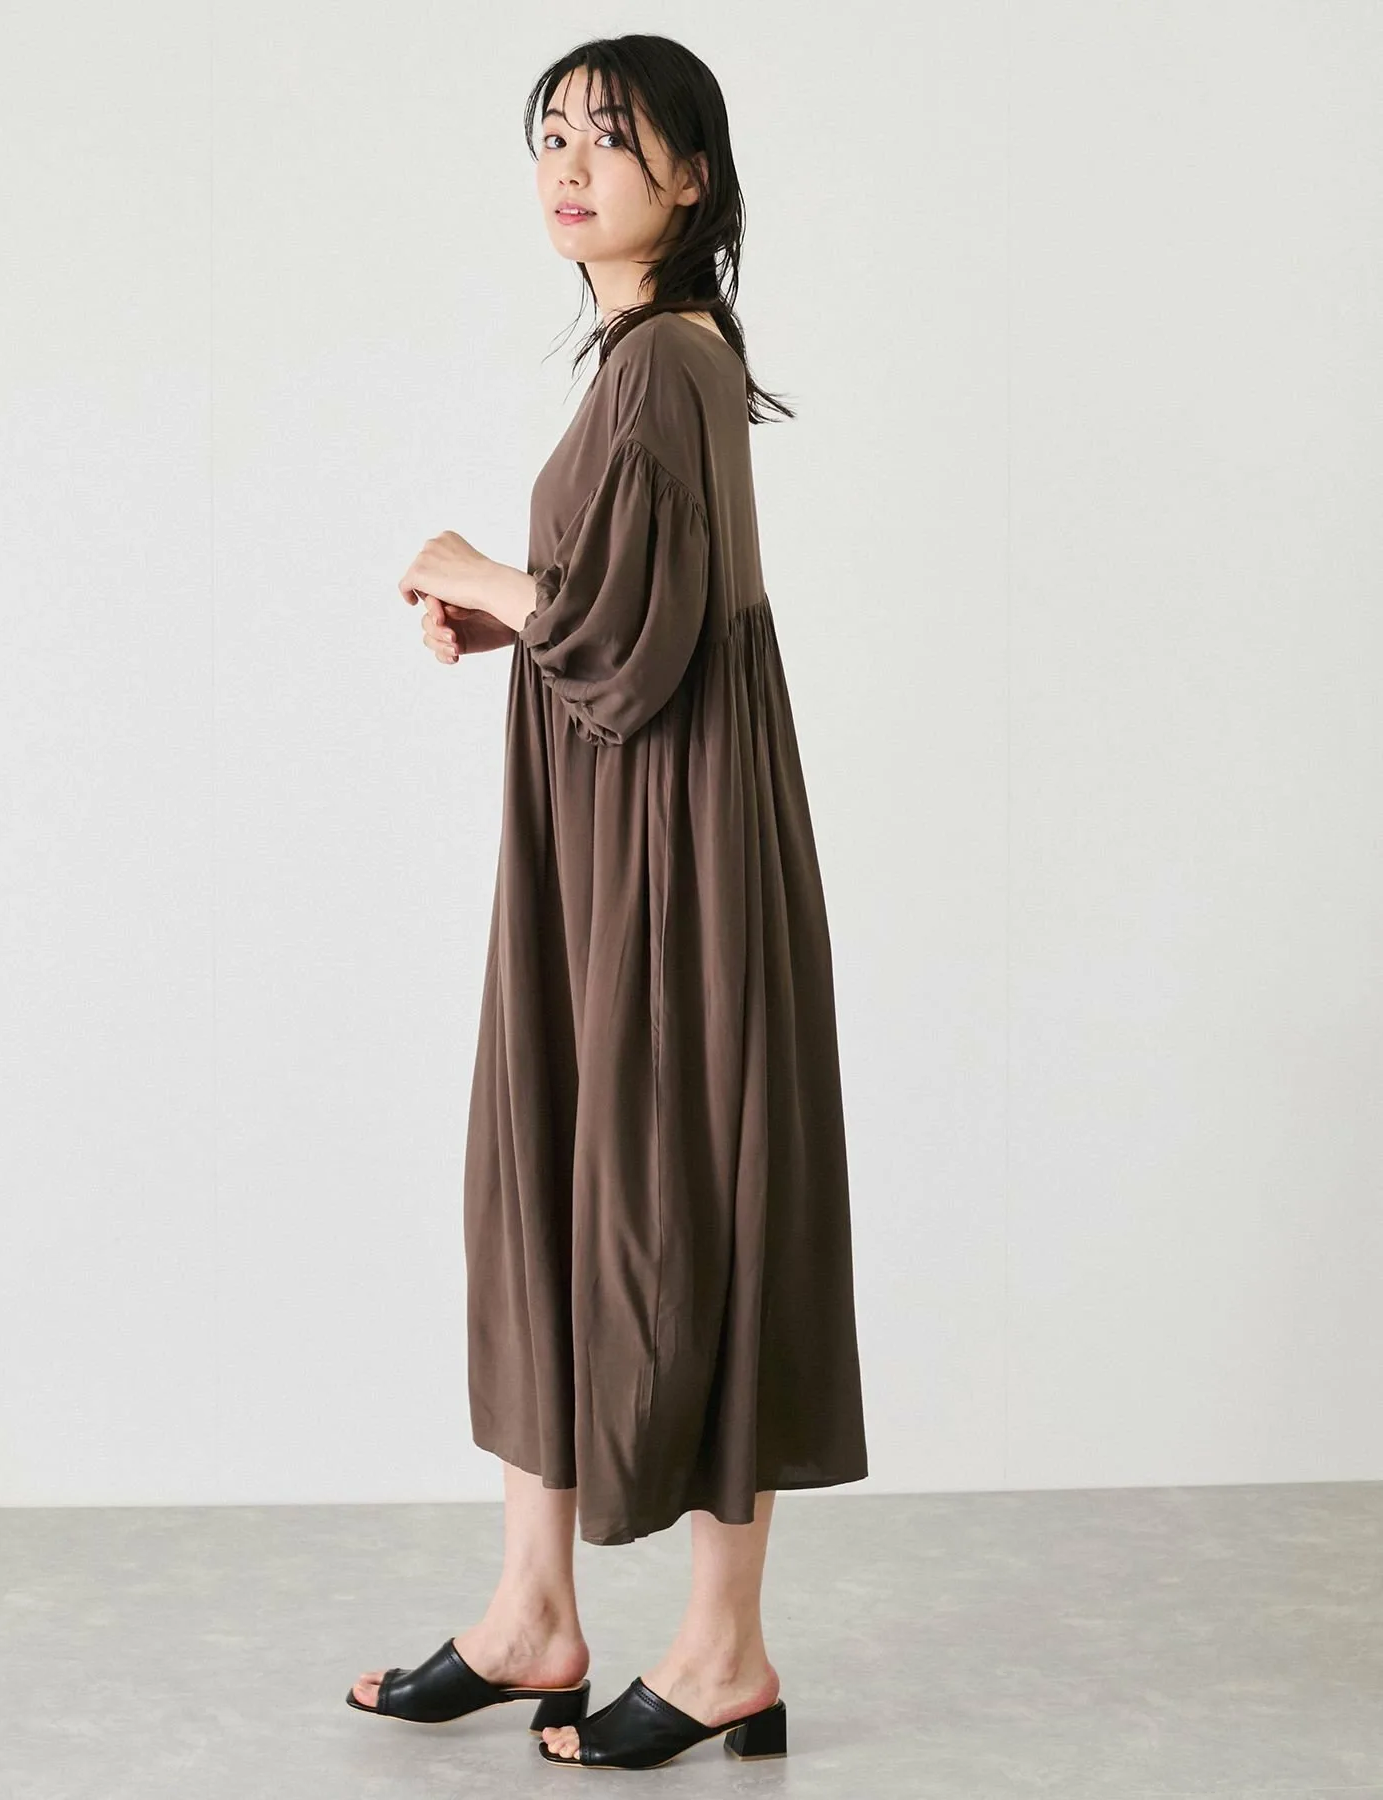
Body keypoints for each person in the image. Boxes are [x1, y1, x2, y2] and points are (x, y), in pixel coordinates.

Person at [346, 36, 868, 1771]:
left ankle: (721, 1653)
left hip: (666, 843)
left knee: (680, 1194)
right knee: (568, 1176)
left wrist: (472, 569)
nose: (570, 166)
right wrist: (520, 613)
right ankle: (534, 1616)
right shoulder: (663, 360)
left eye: (613, 139)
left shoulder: (666, 363)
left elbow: (631, 644)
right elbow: (633, 612)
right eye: (552, 134)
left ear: (691, 178)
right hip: (622, 830)